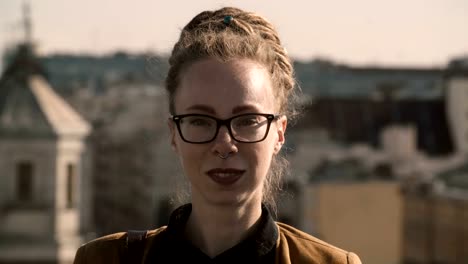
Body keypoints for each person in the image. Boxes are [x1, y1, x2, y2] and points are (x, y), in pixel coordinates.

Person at [73, 6, 361, 264]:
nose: (225, 144)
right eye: (200, 120)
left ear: (279, 133)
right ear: (174, 133)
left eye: (247, 120)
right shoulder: (105, 259)